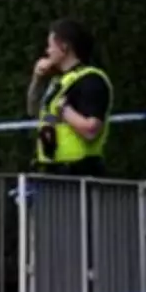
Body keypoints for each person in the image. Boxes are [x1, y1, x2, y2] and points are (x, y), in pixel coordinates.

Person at [27, 19, 113, 177]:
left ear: (64, 47)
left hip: (80, 171)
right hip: (52, 169)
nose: (47, 51)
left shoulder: (90, 80)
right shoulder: (58, 81)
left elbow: (91, 131)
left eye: (50, 45)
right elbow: (34, 111)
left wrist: (66, 112)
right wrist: (37, 79)